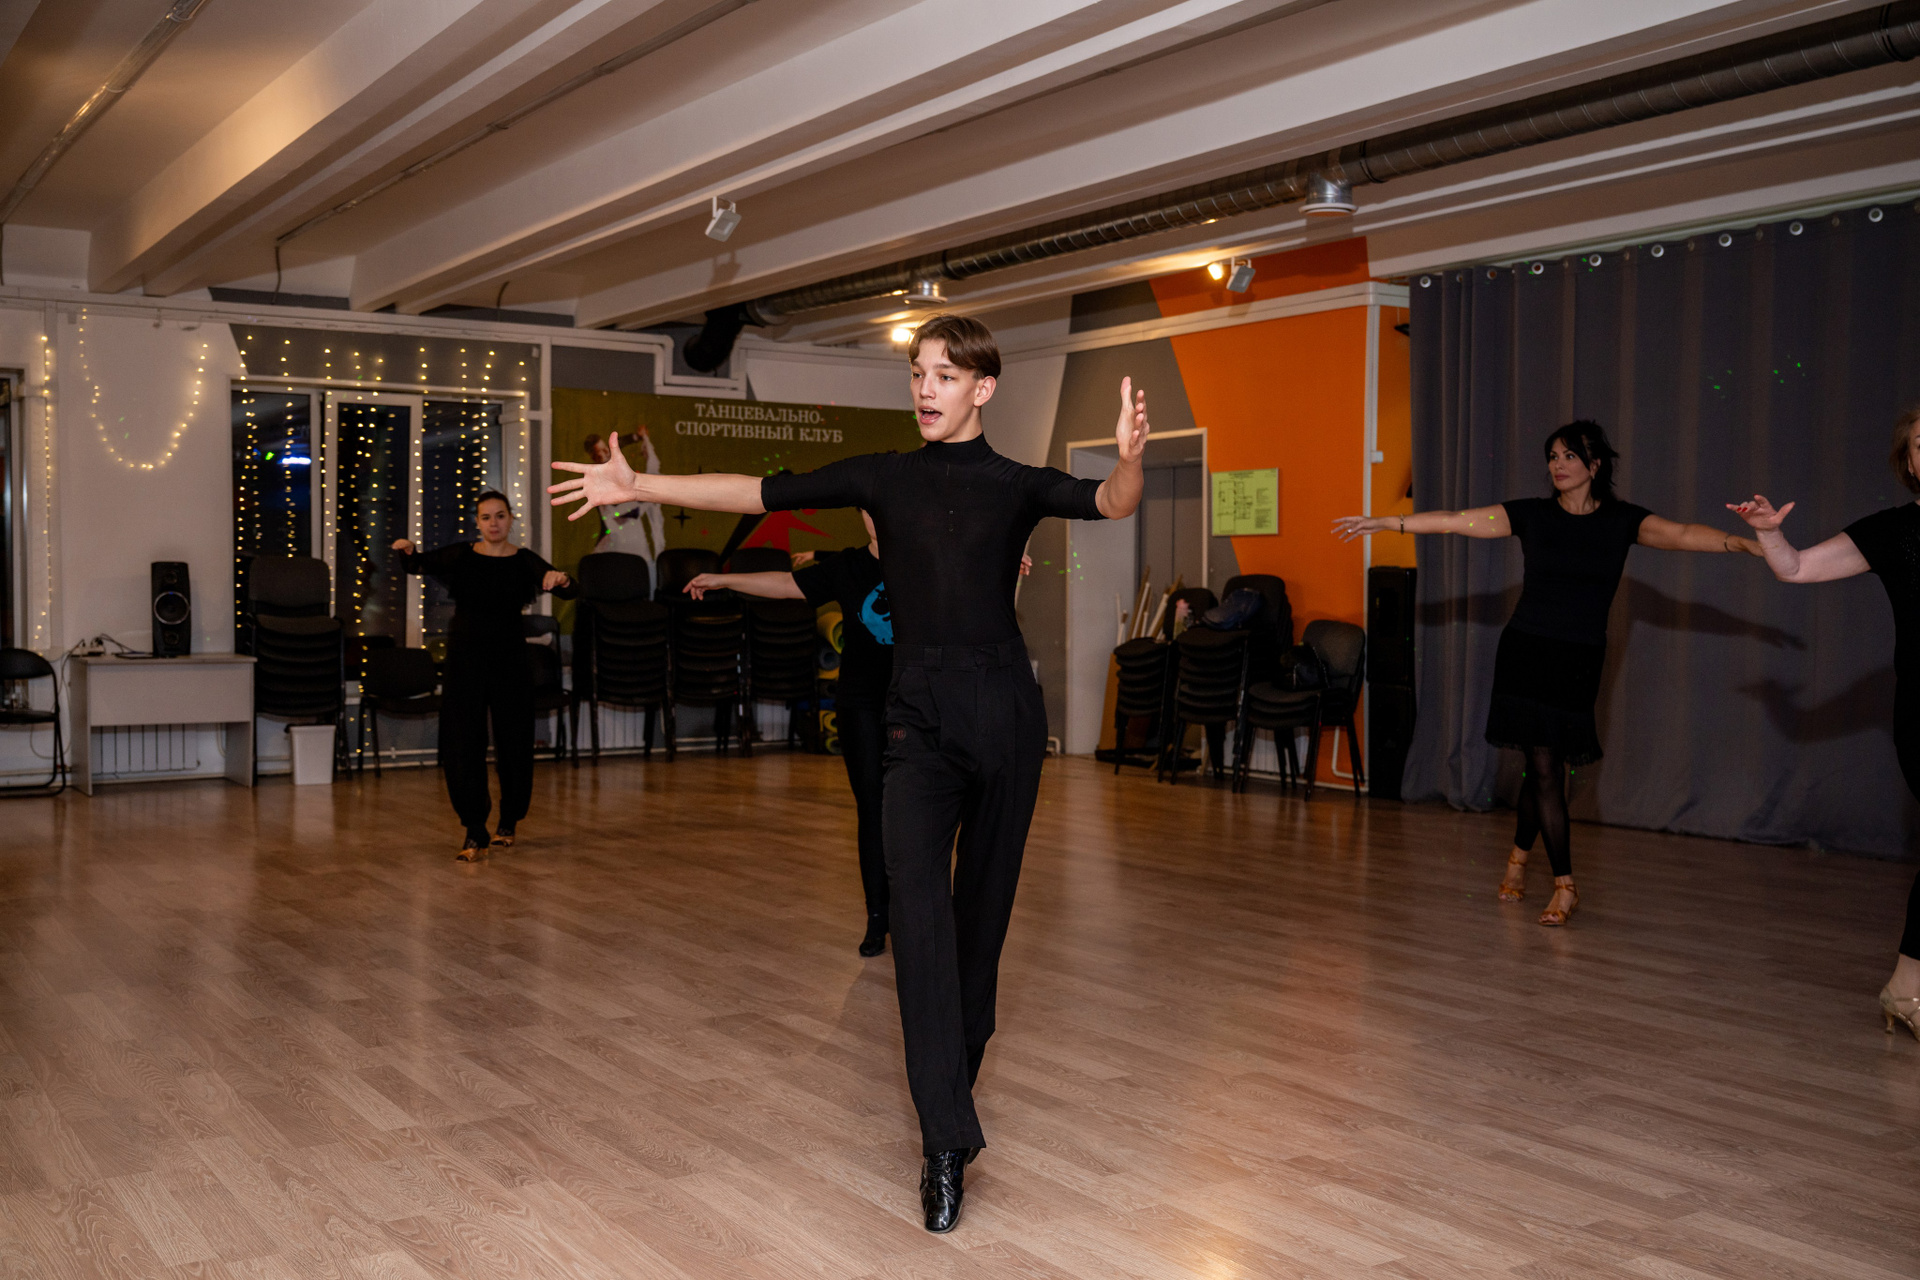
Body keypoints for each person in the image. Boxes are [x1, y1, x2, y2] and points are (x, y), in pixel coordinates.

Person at [552, 313, 1149, 1233]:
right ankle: (943, 1140)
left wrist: (1131, 461)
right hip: (916, 715)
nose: (925, 388)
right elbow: (757, 491)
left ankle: (951, 1086)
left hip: (1002, 711)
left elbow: (1109, 501)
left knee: (980, 926)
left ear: (982, 388)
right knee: (918, 917)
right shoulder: (883, 475)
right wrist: (641, 484)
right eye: (918, 372)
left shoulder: (1015, 483)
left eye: (944, 375)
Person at [1334, 421, 1761, 926]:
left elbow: (1685, 534)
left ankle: (1518, 859)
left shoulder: (1622, 521)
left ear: (1594, 465)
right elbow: (1455, 521)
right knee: (1542, 766)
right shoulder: (1532, 515)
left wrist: (1745, 544)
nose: (1557, 465)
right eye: (1553, 456)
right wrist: (1387, 522)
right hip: (1526, 652)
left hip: (1577, 661)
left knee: (1547, 767)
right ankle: (1565, 886)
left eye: (1568, 456)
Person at [685, 522, 1035, 959]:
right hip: (863, 706)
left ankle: (926, 915)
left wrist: (1003, 562)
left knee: (931, 811)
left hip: (922, 703)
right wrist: (724, 579)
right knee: (874, 810)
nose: (877, 514)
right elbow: (787, 584)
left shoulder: (928, 557)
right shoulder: (847, 566)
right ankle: (877, 917)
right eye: (868, 507)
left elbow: (974, 570)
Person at [1728, 406, 1920, 1040]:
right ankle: (1906, 987)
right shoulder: (1893, 531)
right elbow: (1796, 567)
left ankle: (1905, 988)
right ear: (1909, 460)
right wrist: (1769, 533)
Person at [392, 490, 575, 861]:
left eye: (500, 515)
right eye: (487, 517)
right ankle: (474, 828)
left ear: (510, 519)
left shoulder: (523, 560)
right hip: (466, 660)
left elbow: (567, 589)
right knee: (462, 742)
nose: (494, 523)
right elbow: (417, 565)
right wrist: (407, 550)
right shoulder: (462, 555)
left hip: (510, 660)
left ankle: (509, 821)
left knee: (515, 741)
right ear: (477, 522)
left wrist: (562, 579)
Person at [584, 430, 665, 565]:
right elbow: (618, 519)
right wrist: (646, 503)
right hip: (617, 543)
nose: (607, 452)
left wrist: (637, 436)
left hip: (635, 539)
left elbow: (618, 443)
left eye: (606, 448)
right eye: (601, 451)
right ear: (594, 457)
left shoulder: (615, 469)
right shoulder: (598, 484)